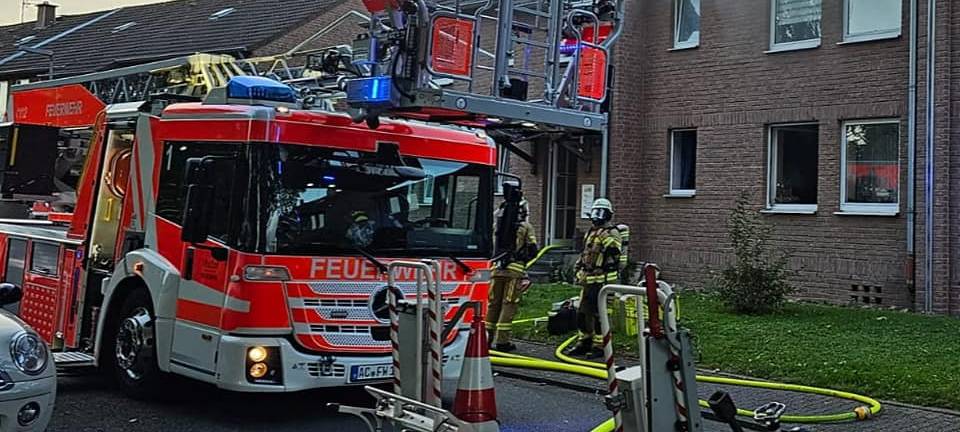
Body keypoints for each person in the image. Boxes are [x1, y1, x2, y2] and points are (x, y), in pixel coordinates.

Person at [567, 198, 621, 357]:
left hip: (603, 281)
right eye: (595, 212)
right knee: (583, 313)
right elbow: (586, 253)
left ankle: (600, 346)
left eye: (600, 212)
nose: (597, 216)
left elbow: (614, 250)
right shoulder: (590, 232)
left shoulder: (612, 233)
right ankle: (584, 341)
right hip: (588, 280)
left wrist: (605, 237)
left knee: (600, 314)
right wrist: (578, 268)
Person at [486, 198, 538, 352]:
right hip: (514, 271)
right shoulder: (525, 227)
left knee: (493, 304)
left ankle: (486, 339)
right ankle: (503, 342)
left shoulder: (498, 226)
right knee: (509, 304)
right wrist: (523, 259)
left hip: (496, 269)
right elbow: (533, 249)